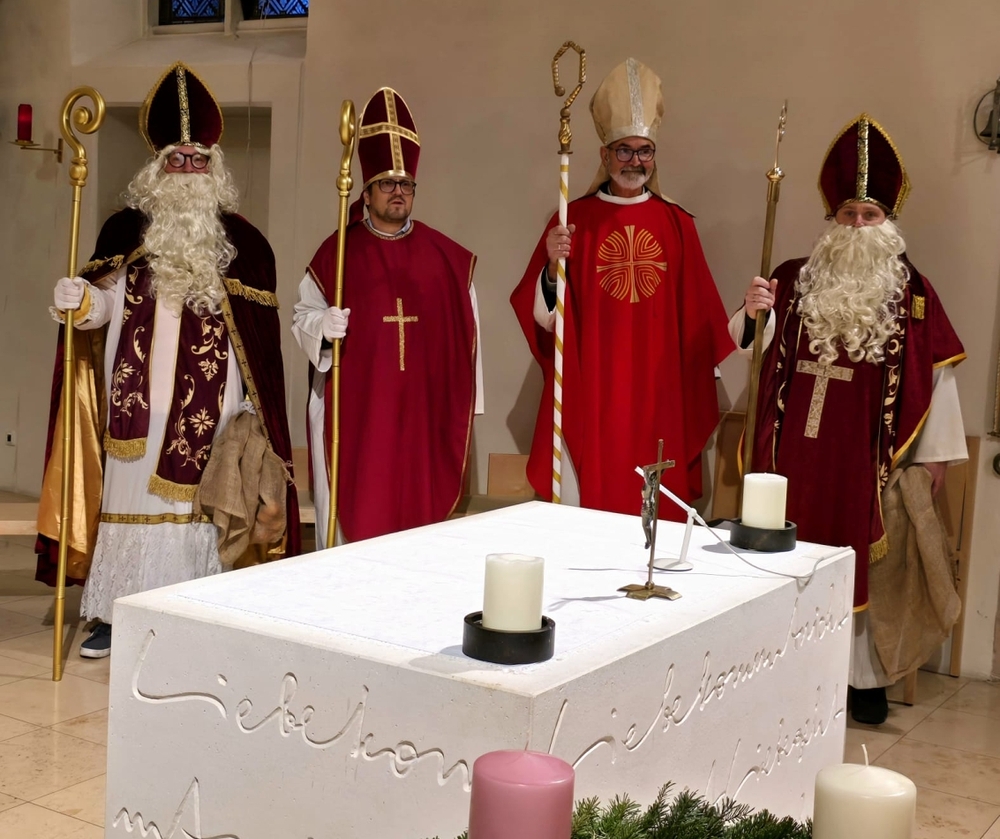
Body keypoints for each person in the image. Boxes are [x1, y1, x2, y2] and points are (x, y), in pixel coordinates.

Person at [35, 61, 300, 658]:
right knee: (129, 502)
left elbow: (257, 345)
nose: (187, 169)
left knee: (200, 512)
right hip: (135, 408)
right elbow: (105, 308)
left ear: (214, 167)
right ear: (156, 168)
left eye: (197, 160)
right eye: (176, 159)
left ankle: (196, 610)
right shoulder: (124, 231)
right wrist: (80, 302)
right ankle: (116, 612)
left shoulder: (244, 245)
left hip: (213, 411)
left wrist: (254, 411)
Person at [734, 113, 966, 724]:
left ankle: (861, 680)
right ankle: (781, 667)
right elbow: (748, 347)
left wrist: (934, 457)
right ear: (831, 219)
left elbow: (938, 377)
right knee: (784, 556)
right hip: (791, 456)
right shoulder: (792, 278)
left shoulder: (913, 292)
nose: (858, 225)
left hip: (865, 459)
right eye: (847, 214)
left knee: (866, 562)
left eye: (869, 214)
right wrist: (754, 312)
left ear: (888, 221)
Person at [511, 57, 733, 518]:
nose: (635, 161)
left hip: (660, 389)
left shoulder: (677, 224)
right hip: (593, 385)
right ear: (604, 155)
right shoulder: (573, 221)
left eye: (644, 151)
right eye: (625, 151)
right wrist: (551, 267)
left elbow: (699, 319)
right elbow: (547, 318)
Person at [292, 87, 482, 546]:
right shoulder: (339, 252)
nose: (398, 192)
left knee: (416, 528)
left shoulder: (446, 258)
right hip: (357, 416)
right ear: (367, 190)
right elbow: (302, 316)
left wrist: (466, 402)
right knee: (354, 520)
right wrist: (323, 328)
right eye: (387, 183)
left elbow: (468, 335)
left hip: (421, 418)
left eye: (406, 184)